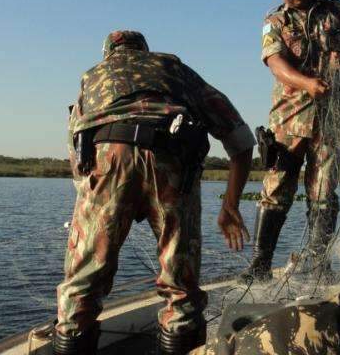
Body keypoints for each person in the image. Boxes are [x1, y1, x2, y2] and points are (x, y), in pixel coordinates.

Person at [54, 30, 255, 355]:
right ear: (145, 53)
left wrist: (103, 205)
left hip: (109, 156)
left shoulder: (93, 78)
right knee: (180, 284)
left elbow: (78, 163)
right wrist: (230, 205)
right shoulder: (176, 71)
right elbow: (241, 141)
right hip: (172, 160)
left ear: (109, 55)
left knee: (83, 281)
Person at [240, 0, 340, 283]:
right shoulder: (274, 21)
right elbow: (275, 63)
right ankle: (260, 263)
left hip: (331, 117)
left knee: (324, 192)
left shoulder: (334, 9)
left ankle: (318, 261)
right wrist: (307, 83)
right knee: (277, 186)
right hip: (289, 118)